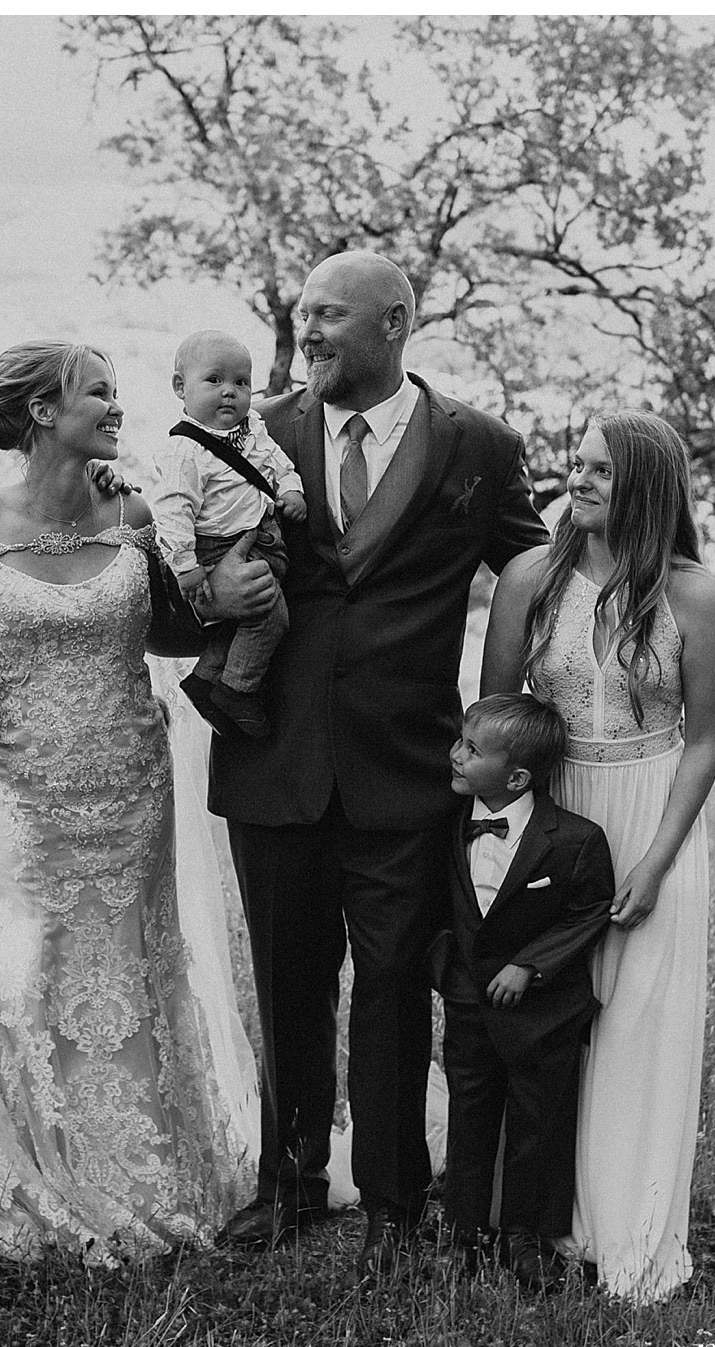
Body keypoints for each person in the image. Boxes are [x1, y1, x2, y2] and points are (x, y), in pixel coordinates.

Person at [211, 249, 548, 1278]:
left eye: (329, 315)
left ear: (395, 322)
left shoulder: (479, 446)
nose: (307, 331)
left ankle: (397, 1204)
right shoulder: (252, 435)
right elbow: (187, 564)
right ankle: (289, 1183)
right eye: (303, 313)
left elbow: (539, 571)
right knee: (288, 982)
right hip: (274, 758)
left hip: (407, 769)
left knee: (396, 985)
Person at [0, 340, 264, 1265]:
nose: (118, 407)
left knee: (132, 966)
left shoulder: (139, 515)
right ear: (41, 411)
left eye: (116, 393)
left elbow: (174, 631)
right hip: (16, 790)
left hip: (131, 785)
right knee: (27, 968)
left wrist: (226, 596)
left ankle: (149, 1166)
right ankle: (37, 1160)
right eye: (98, 394)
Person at [478, 409, 715, 1304]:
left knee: (638, 1020)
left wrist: (658, 859)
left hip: (653, 813)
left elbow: (705, 740)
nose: (577, 480)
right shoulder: (528, 579)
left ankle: (627, 1229)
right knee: (554, 1018)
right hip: (557, 814)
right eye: (576, 463)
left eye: (599, 470)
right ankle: (540, 1217)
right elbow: (495, 721)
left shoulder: (695, 596)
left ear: (647, 488)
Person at [427, 695, 614, 1293]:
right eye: (460, 741)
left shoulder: (574, 839)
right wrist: (445, 972)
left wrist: (530, 966)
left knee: (539, 1123)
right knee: (470, 1118)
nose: (456, 755)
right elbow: (436, 905)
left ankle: (525, 1238)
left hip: (543, 1015)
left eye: (472, 750)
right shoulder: (445, 824)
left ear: (517, 778)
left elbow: (589, 911)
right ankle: (463, 1235)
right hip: (468, 1005)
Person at [150, 329, 306, 740]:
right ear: (180, 388)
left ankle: (206, 678)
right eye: (214, 380)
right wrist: (186, 566)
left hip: (260, 537)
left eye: (241, 382)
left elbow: (276, 462)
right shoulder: (185, 450)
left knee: (238, 623)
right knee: (271, 616)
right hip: (215, 548)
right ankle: (237, 689)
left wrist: (291, 489)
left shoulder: (253, 428)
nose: (229, 392)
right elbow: (173, 512)